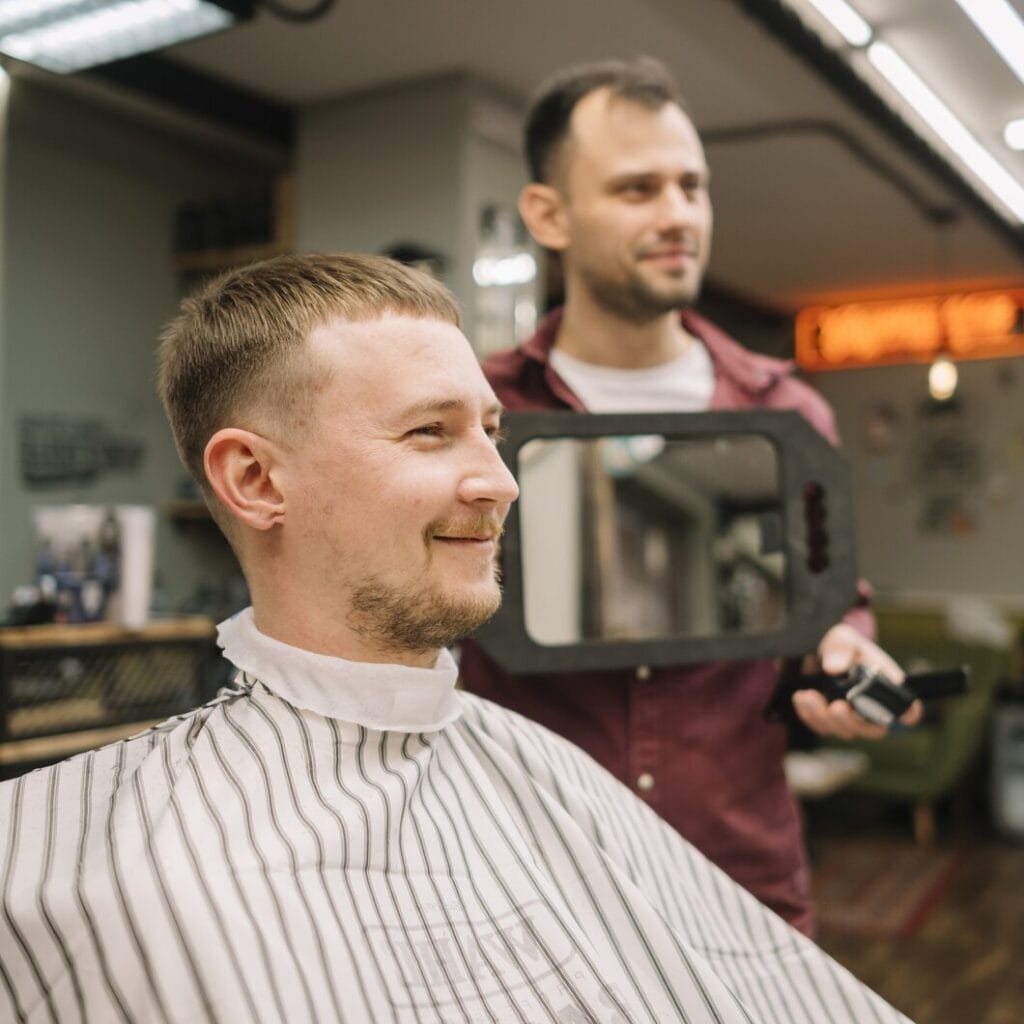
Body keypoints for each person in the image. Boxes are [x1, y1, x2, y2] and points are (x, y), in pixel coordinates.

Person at [0, 253, 912, 1023]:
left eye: (492, 430)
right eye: (430, 434)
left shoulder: (542, 771)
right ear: (255, 479)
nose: (502, 482)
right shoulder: (52, 863)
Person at [458, 57, 919, 936]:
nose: (678, 216)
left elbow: (832, 613)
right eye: (637, 189)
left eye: (691, 187)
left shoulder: (787, 412)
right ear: (547, 215)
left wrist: (843, 657)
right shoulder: (480, 414)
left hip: (741, 887)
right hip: (529, 886)